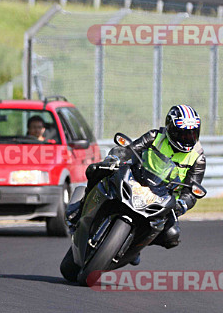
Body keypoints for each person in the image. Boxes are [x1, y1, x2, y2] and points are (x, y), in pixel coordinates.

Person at [66, 105, 206, 258]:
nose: (188, 138)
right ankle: (80, 207)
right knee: (97, 169)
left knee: (171, 235)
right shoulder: (156, 136)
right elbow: (131, 149)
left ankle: (133, 246)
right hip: (138, 177)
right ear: (171, 129)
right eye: (183, 134)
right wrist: (117, 158)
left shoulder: (197, 158)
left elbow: (192, 191)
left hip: (164, 197)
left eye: (193, 133)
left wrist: (182, 204)